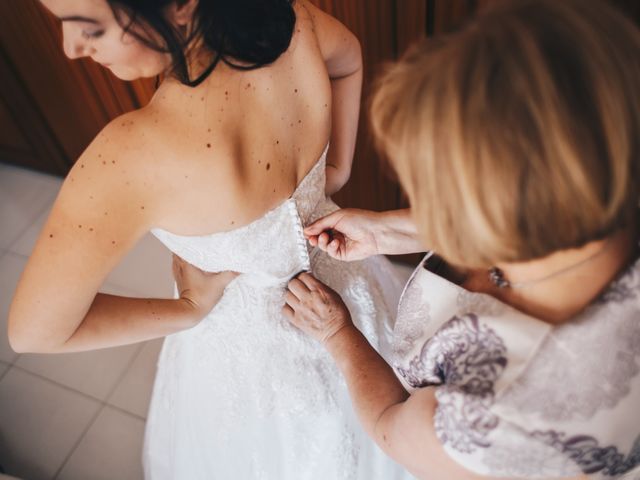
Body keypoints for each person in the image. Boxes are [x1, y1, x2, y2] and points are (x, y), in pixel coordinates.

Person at [8, 1, 415, 478]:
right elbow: (348, 59)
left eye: (89, 29)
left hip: (246, 361)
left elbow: (34, 332)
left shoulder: (130, 156)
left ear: (180, 6)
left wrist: (188, 310)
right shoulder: (294, 21)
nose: (71, 48)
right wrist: (336, 170)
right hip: (351, 301)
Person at [283, 0, 640, 479]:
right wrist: (389, 230)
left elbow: (391, 424)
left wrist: (337, 334)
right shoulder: (602, 187)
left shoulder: (501, 423)